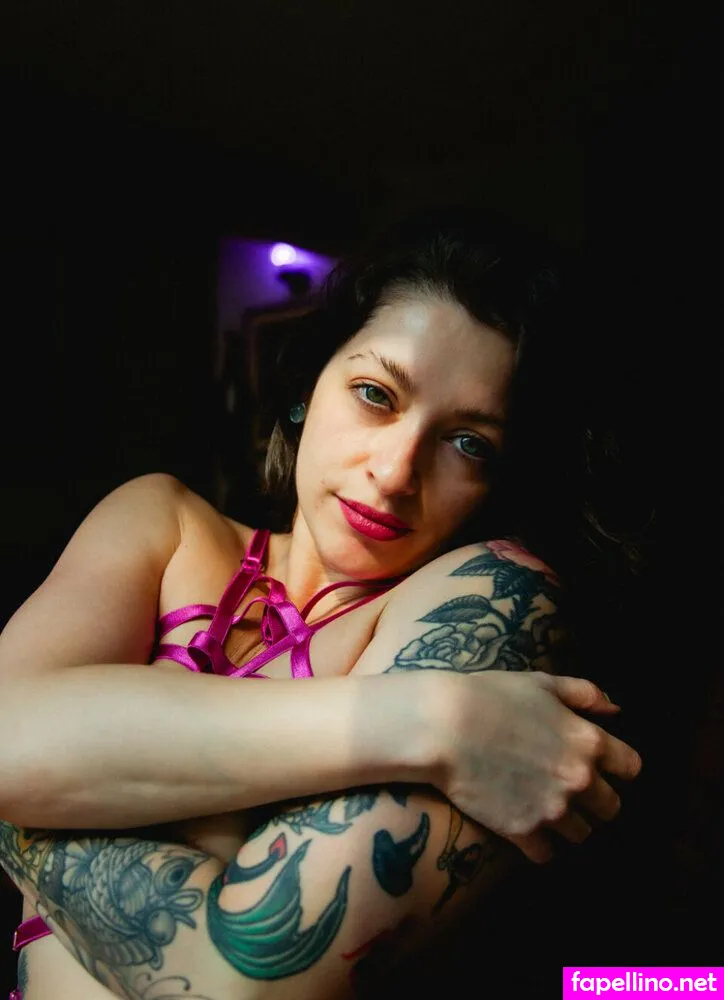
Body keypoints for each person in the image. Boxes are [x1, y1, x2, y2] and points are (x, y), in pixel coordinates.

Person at [0, 208, 642, 1000]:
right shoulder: (162, 523)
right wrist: (429, 721)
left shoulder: (486, 607)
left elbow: (237, 983)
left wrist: (52, 777)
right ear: (309, 386)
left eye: (469, 442)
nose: (395, 471)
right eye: (376, 394)